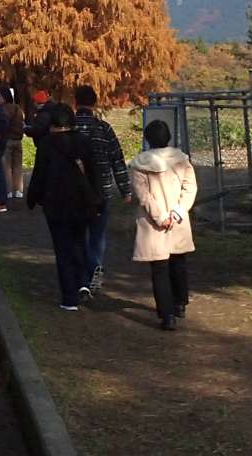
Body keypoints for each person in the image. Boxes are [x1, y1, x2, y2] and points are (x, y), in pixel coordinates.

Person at [25, 103, 102, 310]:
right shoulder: (84, 142)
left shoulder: (46, 144)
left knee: (63, 249)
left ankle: (69, 298)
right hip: (82, 202)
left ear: (52, 124)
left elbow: (39, 175)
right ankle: (83, 282)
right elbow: (94, 173)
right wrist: (97, 199)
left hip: (55, 203)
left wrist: (32, 198)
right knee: (80, 242)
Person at [131, 119, 197, 329]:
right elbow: (190, 188)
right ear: (168, 137)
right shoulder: (181, 159)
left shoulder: (140, 164)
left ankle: (167, 315)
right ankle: (180, 303)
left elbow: (144, 195)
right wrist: (177, 213)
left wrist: (161, 217)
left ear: (147, 139)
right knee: (178, 262)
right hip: (178, 220)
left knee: (159, 268)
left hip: (154, 223)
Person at [72, 85, 133, 294]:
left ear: (75, 103)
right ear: (95, 103)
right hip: (102, 190)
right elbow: (117, 160)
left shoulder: (68, 128)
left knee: (78, 234)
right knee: (97, 234)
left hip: (75, 192)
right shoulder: (104, 128)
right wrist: (125, 189)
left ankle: (82, 276)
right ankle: (95, 267)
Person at [1, 94, 27, 200]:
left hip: (7, 140)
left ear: (4, 97)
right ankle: (18, 190)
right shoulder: (18, 108)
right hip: (18, 140)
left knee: (6, 166)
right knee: (18, 166)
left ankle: (8, 191)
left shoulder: (4, 109)